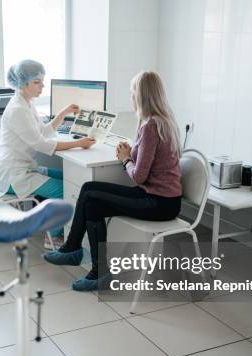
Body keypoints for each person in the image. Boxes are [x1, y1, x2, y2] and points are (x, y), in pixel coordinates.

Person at [43, 71, 182, 291]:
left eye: (132, 92)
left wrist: (126, 158)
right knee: (90, 194)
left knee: (91, 196)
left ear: (142, 95)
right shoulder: (164, 121)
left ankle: (78, 254)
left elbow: (138, 177)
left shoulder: (150, 127)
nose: (131, 96)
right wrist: (130, 154)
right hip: (164, 199)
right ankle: (83, 257)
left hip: (158, 202)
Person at [0, 59, 96, 248]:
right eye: (37, 82)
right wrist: (77, 143)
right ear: (23, 83)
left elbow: (44, 133)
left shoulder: (27, 103)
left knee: (69, 178)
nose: (42, 86)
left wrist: (62, 113)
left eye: (42, 80)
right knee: (67, 190)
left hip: (22, 169)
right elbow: (40, 144)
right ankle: (52, 237)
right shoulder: (18, 109)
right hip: (13, 176)